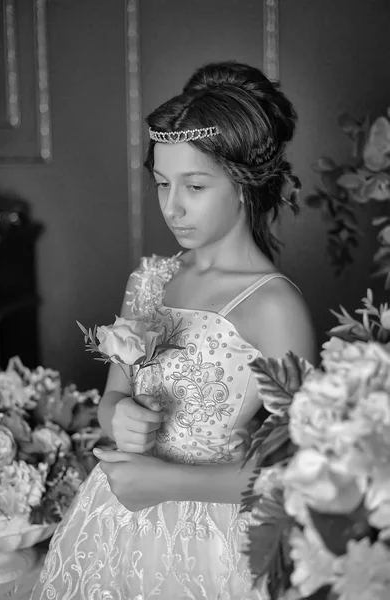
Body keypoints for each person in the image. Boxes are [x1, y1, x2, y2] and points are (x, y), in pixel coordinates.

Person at [31, 61, 317, 600]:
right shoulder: (151, 279)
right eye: (162, 183)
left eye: (195, 185)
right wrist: (121, 416)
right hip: (114, 517)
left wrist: (165, 482)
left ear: (243, 183)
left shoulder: (273, 305)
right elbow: (113, 397)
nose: (171, 206)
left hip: (216, 539)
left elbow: (302, 466)